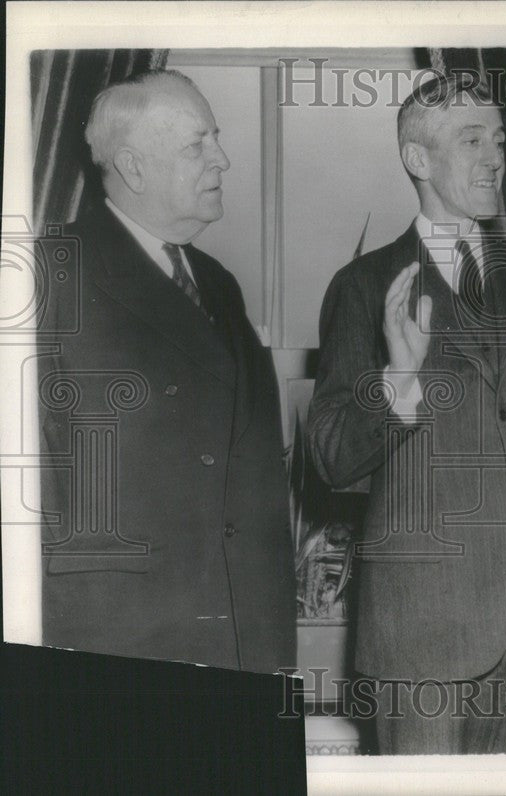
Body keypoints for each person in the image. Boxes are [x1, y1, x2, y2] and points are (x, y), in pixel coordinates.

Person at [308, 74, 506, 754]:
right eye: (471, 140)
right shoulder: (364, 288)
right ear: (418, 160)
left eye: (499, 140)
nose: (494, 158)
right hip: (420, 628)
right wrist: (400, 380)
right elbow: (331, 453)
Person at [37, 70, 296, 673]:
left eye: (217, 138)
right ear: (133, 167)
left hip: (244, 643)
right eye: (196, 145)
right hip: (122, 643)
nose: (223, 160)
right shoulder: (50, 276)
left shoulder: (219, 285)